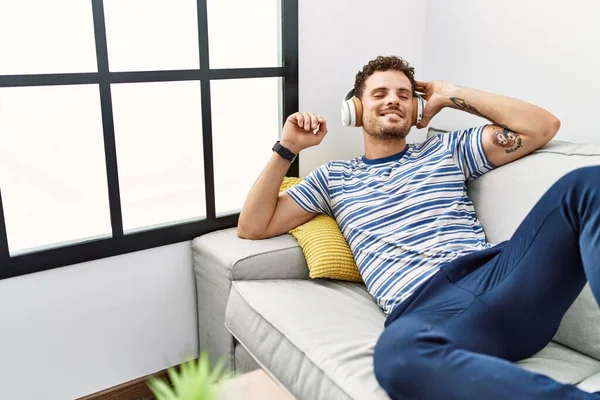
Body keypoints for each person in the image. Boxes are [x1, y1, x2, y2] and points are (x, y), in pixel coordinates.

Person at [237, 55, 600, 399]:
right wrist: (287, 148)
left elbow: (543, 126)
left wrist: (446, 93)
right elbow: (253, 226)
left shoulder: (445, 150)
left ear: (417, 110)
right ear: (356, 110)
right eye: (379, 94)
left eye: (404, 95)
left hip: (501, 277)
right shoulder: (335, 178)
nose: (393, 101)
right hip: (430, 310)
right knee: (397, 353)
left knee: (587, 185)